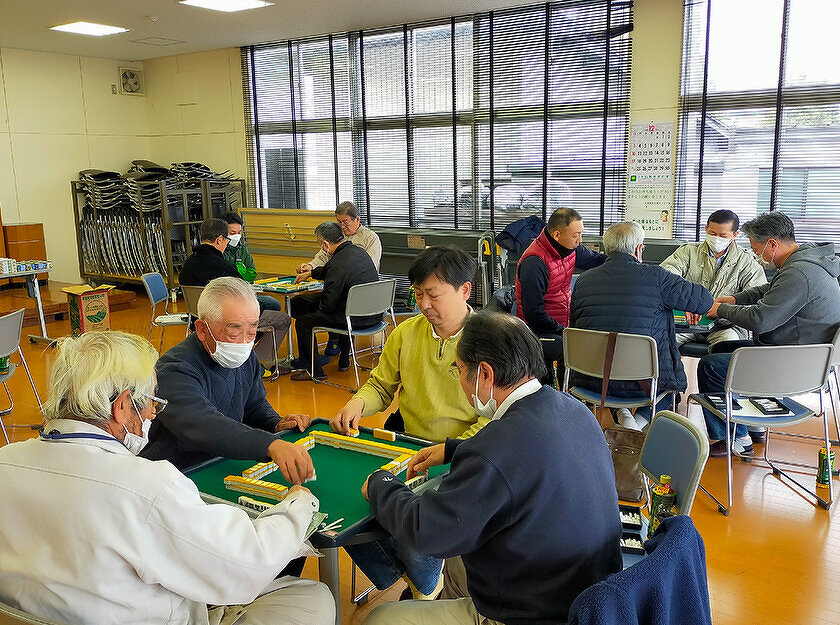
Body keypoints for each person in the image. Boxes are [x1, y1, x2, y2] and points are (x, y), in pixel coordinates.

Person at [0, 330, 334, 625]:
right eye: (151, 403)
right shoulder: (147, 486)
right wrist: (298, 505)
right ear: (122, 407)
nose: (151, 415)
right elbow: (248, 564)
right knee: (311, 596)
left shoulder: (4, 461)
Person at [361, 311, 622, 625]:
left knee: (380, 618)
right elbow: (528, 460)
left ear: (484, 374)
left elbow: (425, 531)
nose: (459, 380)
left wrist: (380, 482)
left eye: (459, 370)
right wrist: (453, 449)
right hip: (591, 594)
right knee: (458, 561)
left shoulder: (496, 447)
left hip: (532, 613)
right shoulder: (574, 410)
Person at [142, 277, 316, 483]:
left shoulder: (247, 357)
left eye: (252, 332)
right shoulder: (173, 370)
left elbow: (254, 405)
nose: (243, 343)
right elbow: (204, 424)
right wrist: (269, 444)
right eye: (233, 334)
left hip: (220, 462)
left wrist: (276, 423)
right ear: (202, 329)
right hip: (177, 473)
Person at [701, 212, 840, 457]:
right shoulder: (807, 263)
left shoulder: (800, 273)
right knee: (723, 350)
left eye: (757, 249)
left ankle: (736, 438)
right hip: (805, 355)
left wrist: (720, 309)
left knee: (711, 366)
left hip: (793, 363)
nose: (757, 256)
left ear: (772, 244)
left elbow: (760, 320)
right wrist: (735, 299)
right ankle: (752, 423)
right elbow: (770, 290)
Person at [331, 246, 483, 442]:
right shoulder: (405, 333)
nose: (424, 304)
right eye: (419, 294)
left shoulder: (490, 340)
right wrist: (358, 403)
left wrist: (452, 450)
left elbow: (496, 414)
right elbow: (380, 386)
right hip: (411, 444)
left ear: (465, 290)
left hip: (467, 452)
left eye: (433, 295)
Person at [570, 221, 713, 430]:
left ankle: (623, 414)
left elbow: (576, 324)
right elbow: (704, 301)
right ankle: (638, 423)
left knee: (612, 373)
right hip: (646, 383)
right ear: (638, 249)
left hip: (593, 380)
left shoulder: (583, 281)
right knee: (672, 393)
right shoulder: (657, 277)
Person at [180, 218, 291, 375]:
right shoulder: (224, 267)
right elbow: (243, 299)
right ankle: (253, 366)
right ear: (220, 240)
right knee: (282, 319)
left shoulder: (188, 264)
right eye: (227, 238)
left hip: (198, 322)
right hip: (227, 323)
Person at [515, 207, 606, 384]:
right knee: (571, 347)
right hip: (536, 330)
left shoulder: (570, 248)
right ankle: (564, 396)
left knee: (577, 341)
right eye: (575, 235)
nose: (580, 241)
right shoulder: (534, 262)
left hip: (560, 322)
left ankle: (568, 395)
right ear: (557, 235)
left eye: (581, 234)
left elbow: (595, 260)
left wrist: (624, 260)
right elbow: (534, 314)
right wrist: (562, 330)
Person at [289, 222, 381, 382]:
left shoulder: (338, 263)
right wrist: (311, 273)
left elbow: (327, 305)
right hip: (373, 314)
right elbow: (329, 270)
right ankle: (344, 360)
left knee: (304, 322)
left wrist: (314, 313)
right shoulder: (358, 253)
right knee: (300, 302)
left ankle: (314, 371)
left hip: (353, 319)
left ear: (325, 244)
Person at [661, 209, 766, 347]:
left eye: (722, 235)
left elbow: (756, 301)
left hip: (727, 326)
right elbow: (664, 278)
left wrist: (723, 311)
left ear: (735, 235)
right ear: (706, 229)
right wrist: (684, 302)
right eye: (712, 233)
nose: (716, 239)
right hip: (687, 323)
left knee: (729, 347)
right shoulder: (688, 251)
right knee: (661, 342)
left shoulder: (747, 262)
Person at [296, 201, 382, 356]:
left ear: (357, 220)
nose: (342, 226)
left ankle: (318, 357)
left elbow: (369, 265)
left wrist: (322, 311)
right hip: (344, 291)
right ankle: (331, 346)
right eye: (339, 222)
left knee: (322, 309)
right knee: (300, 303)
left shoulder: (370, 238)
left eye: (346, 222)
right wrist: (310, 268)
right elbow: (322, 259)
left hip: (359, 297)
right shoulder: (337, 237)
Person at [221, 210, 286, 313]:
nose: (237, 236)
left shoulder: (242, 248)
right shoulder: (220, 250)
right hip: (228, 295)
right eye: (233, 233)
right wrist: (239, 271)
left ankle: (254, 327)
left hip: (246, 291)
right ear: (223, 233)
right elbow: (224, 278)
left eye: (239, 232)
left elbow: (252, 273)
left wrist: (239, 273)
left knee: (274, 303)